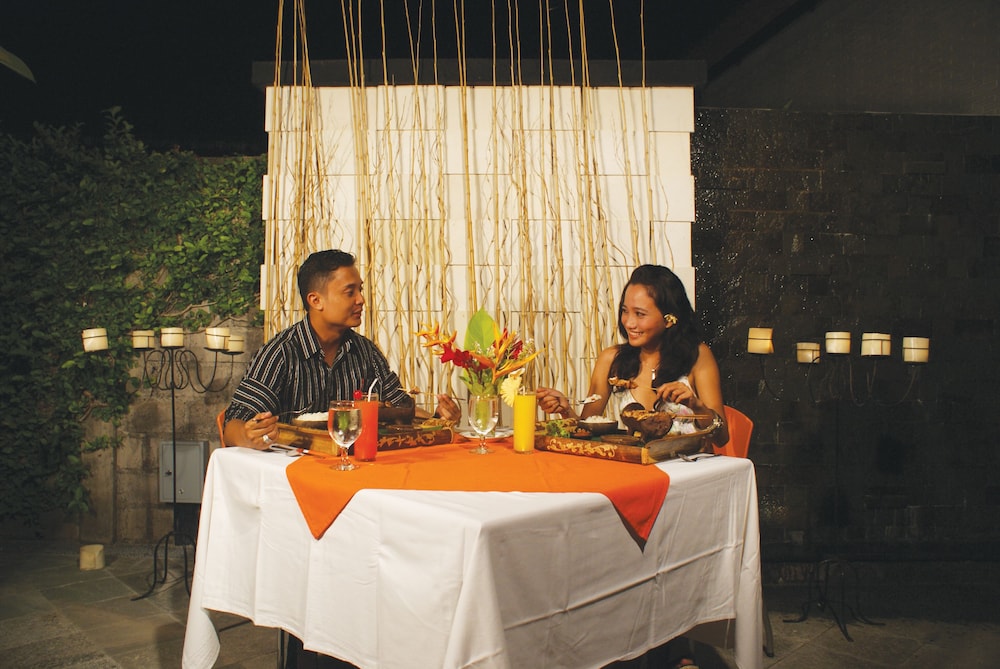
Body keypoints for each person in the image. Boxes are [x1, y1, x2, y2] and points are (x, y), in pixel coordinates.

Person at [223, 249, 461, 450]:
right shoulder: (281, 353)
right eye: (350, 292)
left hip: (356, 469)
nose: (361, 300)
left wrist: (438, 418)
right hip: (292, 474)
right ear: (316, 301)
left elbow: (401, 409)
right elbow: (233, 425)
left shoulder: (366, 352)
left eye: (360, 290)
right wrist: (249, 435)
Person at [537, 263, 729, 446]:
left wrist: (695, 404)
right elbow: (586, 430)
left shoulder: (697, 356)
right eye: (625, 311)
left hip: (690, 463)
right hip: (637, 462)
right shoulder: (611, 359)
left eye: (640, 314)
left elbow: (721, 438)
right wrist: (565, 410)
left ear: (669, 319)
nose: (629, 323)